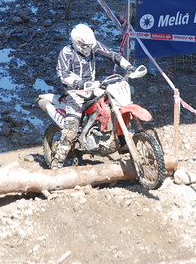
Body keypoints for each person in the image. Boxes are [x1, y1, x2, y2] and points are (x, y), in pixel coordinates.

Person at [52, 23, 136, 169]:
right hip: (75, 92)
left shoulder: (93, 45)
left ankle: (121, 141)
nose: (89, 49)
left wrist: (128, 66)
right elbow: (63, 74)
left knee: (114, 105)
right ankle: (57, 162)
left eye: (90, 46)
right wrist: (79, 83)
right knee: (71, 127)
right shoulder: (66, 52)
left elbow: (112, 54)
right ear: (76, 43)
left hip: (93, 87)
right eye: (86, 46)